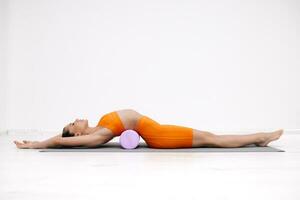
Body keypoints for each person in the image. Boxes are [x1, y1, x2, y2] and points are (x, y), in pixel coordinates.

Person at [14, 109, 283, 149]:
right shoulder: (99, 135)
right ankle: (261, 137)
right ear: (79, 135)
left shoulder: (98, 126)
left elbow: (65, 139)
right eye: (72, 126)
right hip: (157, 134)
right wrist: (38, 144)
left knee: (209, 137)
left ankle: (260, 137)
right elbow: (61, 142)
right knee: (211, 138)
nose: (75, 121)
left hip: (155, 128)